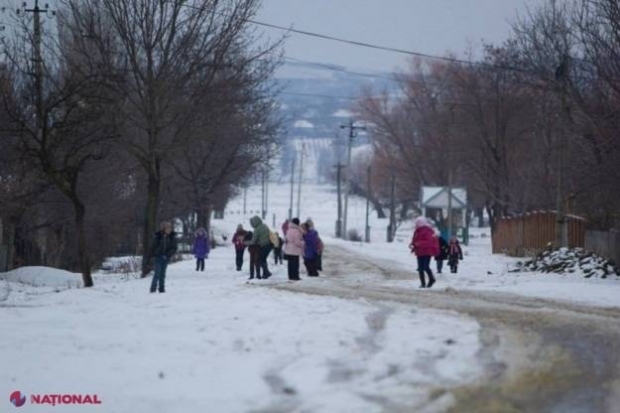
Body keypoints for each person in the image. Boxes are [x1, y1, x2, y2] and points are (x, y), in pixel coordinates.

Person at [409, 216, 439, 288]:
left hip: (427, 252)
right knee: (420, 268)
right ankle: (423, 283)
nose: (416, 225)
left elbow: (429, 242)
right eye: (416, 223)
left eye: (417, 223)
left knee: (425, 267)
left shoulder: (427, 231)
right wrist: (412, 244)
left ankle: (431, 279)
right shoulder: (417, 231)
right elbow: (415, 240)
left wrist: (418, 243)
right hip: (419, 251)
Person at [150, 221, 178, 293]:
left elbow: (174, 248)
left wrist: (167, 255)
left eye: (170, 228)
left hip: (166, 258)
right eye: (167, 228)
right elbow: (153, 247)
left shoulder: (172, 237)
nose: (169, 229)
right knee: (157, 273)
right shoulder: (158, 236)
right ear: (163, 229)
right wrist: (156, 253)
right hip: (158, 257)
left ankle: (161, 288)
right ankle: (153, 288)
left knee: (163, 274)